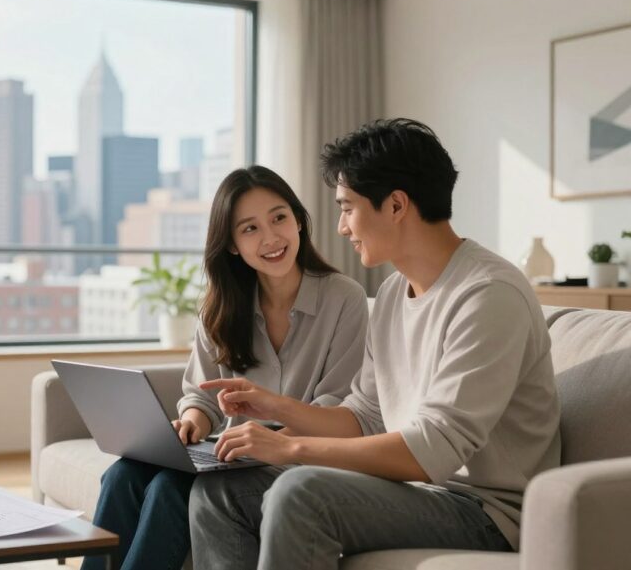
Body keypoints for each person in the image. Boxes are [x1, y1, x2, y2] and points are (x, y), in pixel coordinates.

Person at [189, 119, 561, 570]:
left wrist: (289, 448)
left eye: (347, 208)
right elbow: (365, 417)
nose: (342, 227)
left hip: (487, 512)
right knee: (222, 489)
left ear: (397, 205)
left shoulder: (487, 294)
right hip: (420, 494)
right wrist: (275, 408)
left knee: (300, 490)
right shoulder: (390, 294)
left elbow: (434, 450)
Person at [82, 165, 369, 570]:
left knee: (168, 488)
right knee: (122, 476)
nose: (271, 237)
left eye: (279, 218)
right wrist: (193, 421)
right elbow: (201, 394)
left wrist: (270, 441)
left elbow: (339, 405)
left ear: (299, 222)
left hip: (299, 455)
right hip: (230, 454)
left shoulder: (344, 299)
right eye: (249, 229)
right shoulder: (222, 306)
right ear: (232, 244)